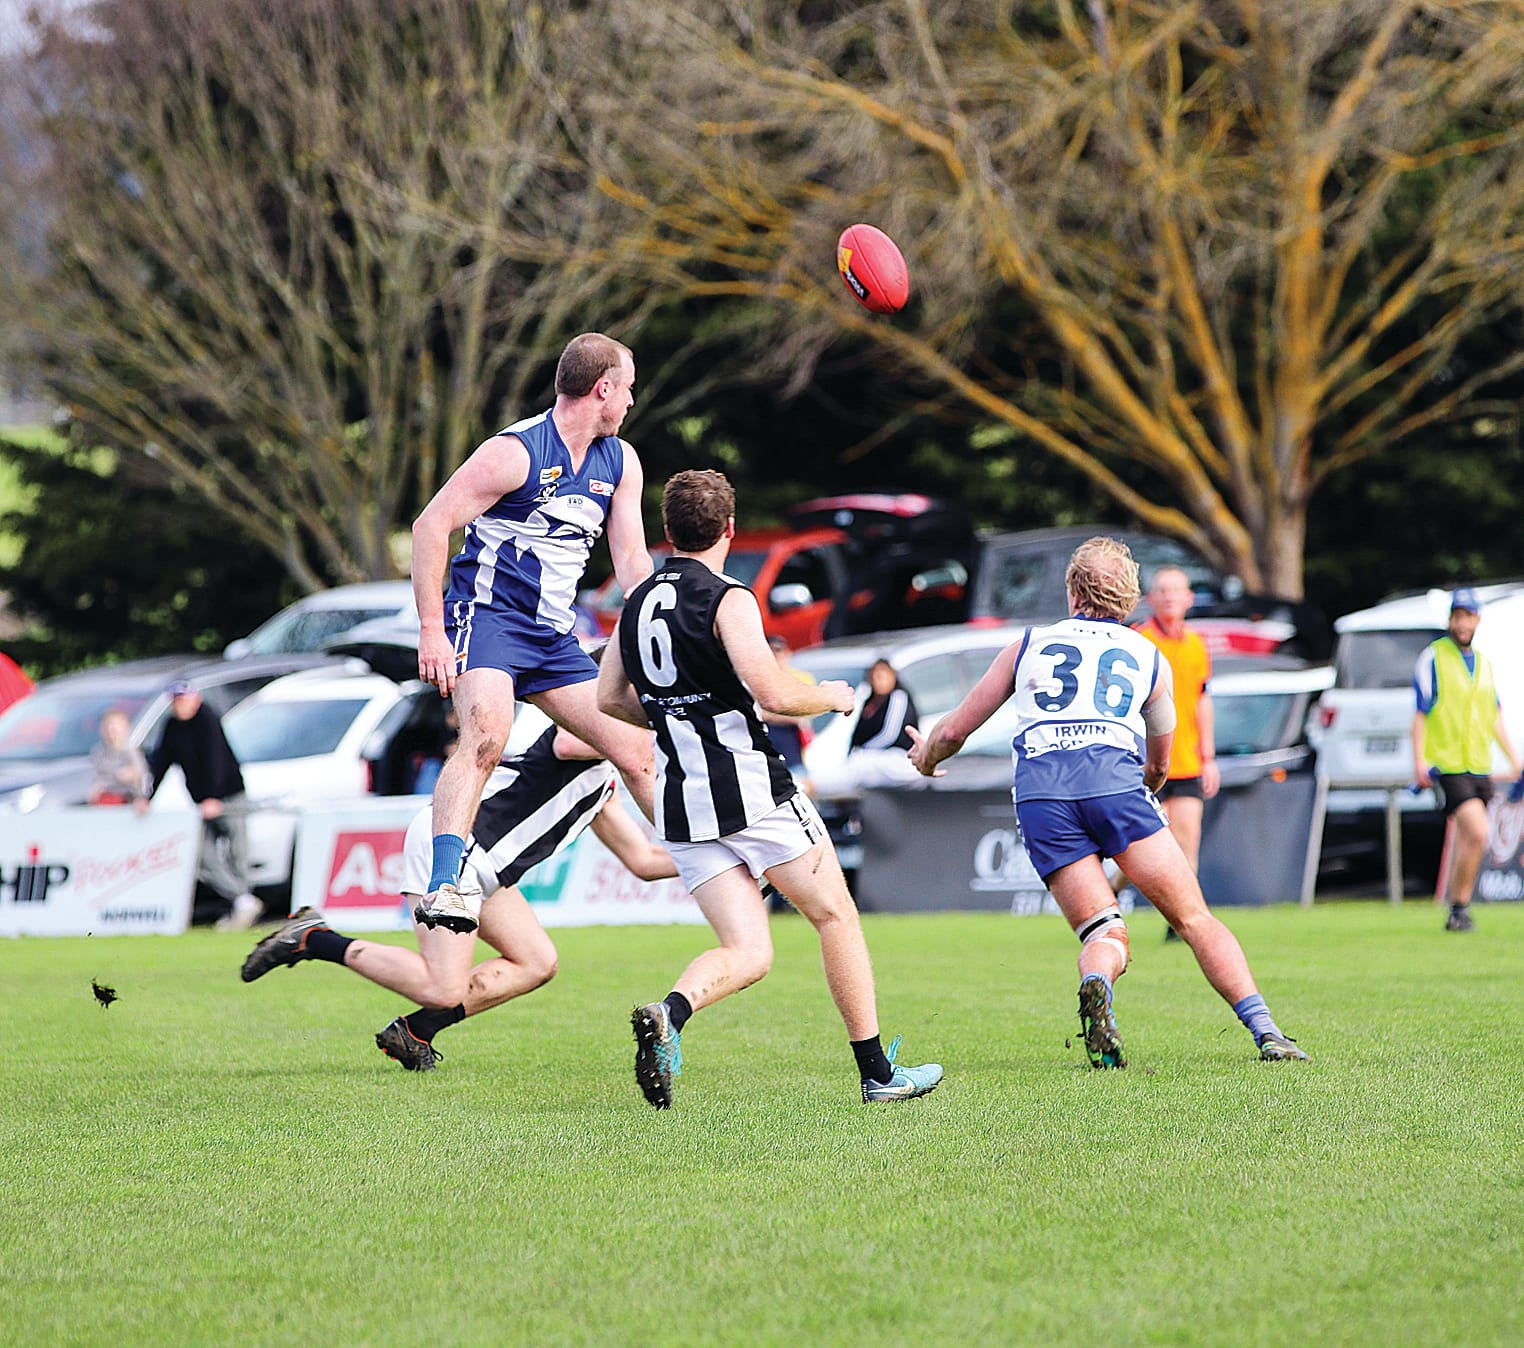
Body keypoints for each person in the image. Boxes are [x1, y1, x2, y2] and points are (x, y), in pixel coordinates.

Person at [598, 468, 942, 1108]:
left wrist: (679, 713)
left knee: (749, 950)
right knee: (835, 914)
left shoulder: (637, 599)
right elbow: (773, 693)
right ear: (729, 529)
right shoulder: (729, 597)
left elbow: (609, 699)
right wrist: (832, 697)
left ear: (669, 531)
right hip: (752, 791)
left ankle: (670, 1012)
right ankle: (876, 1074)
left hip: (683, 806)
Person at [906, 535, 1308, 1067]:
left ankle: (1097, 980)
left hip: (1042, 796)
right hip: (1115, 785)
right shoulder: (1149, 656)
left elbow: (956, 729)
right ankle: (1266, 1031)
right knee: (1193, 918)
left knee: (1103, 928)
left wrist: (928, 759)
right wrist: (1142, 797)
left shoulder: (1026, 645)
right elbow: (1162, 761)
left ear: (1072, 592)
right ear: (1130, 599)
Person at [239, 711, 677, 1070]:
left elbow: (644, 861)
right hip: (456, 848)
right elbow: (568, 741)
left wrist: (731, 861)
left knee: (537, 961)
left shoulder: (603, 779)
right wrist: (657, 727)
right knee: (442, 987)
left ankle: (415, 1032)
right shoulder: (576, 730)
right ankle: (314, 938)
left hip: (483, 867)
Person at [410, 332, 658, 936]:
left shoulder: (620, 461)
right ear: (602, 389)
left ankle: (710, 855)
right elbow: (429, 525)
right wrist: (431, 631)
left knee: (634, 747)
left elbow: (630, 559)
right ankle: (446, 885)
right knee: (488, 736)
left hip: (552, 636)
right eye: (626, 389)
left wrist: (659, 616)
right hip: (488, 619)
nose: (629, 401)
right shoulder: (514, 452)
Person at [1411, 587, 1521, 932]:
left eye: (1468, 616)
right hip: (1447, 763)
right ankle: (1458, 906)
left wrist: (1513, 758)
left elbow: (1494, 716)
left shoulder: (1485, 664)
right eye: (1457, 616)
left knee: (1472, 837)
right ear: (1450, 619)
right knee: (1477, 829)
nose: (1462, 623)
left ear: (1477, 620)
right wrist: (1418, 762)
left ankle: (1459, 909)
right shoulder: (1433, 657)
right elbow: (1420, 714)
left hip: (1478, 764)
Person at [1133, 566, 1219, 937]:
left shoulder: (1197, 644)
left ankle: (1179, 920)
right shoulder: (1139, 640)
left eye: (1176, 590)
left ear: (1189, 598)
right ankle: (1112, 890)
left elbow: (1202, 700)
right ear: (1151, 599)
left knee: (1187, 840)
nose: (1169, 597)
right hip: (1144, 759)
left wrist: (1209, 756)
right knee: (1136, 845)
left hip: (1185, 760)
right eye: (1162, 590)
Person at [142, 681, 261, 932]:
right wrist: (148, 796)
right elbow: (161, 761)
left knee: (237, 851)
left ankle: (242, 907)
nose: (181, 706)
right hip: (202, 802)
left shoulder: (207, 720)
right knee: (203, 856)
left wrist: (213, 797)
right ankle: (242, 900)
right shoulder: (173, 726)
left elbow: (214, 759)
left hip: (228, 796)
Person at [807, 657, 923, 798]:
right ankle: (811, 786)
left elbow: (890, 734)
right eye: (875, 676)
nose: (878, 680)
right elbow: (856, 735)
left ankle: (811, 787)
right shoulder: (869, 702)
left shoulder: (898, 697)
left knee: (861, 768)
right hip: (875, 759)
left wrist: (864, 751)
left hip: (899, 758)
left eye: (883, 676)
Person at [758, 634, 815, 780]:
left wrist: (769, 713)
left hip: (793, 750)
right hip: (766, 750)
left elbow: (801, 715)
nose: (775, 656)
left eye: (778, 650)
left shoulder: (801, 678)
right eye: (770, 651)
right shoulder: (756, 678)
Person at [86, 708, 149, 806]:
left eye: (115, 727)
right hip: (104, 798)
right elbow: (96, 776)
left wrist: (131, 775)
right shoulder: (98, 752)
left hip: (127, 798)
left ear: (125, 728)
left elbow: (140, 776)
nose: (111, 731)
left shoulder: (131, 752)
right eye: (108, 726)